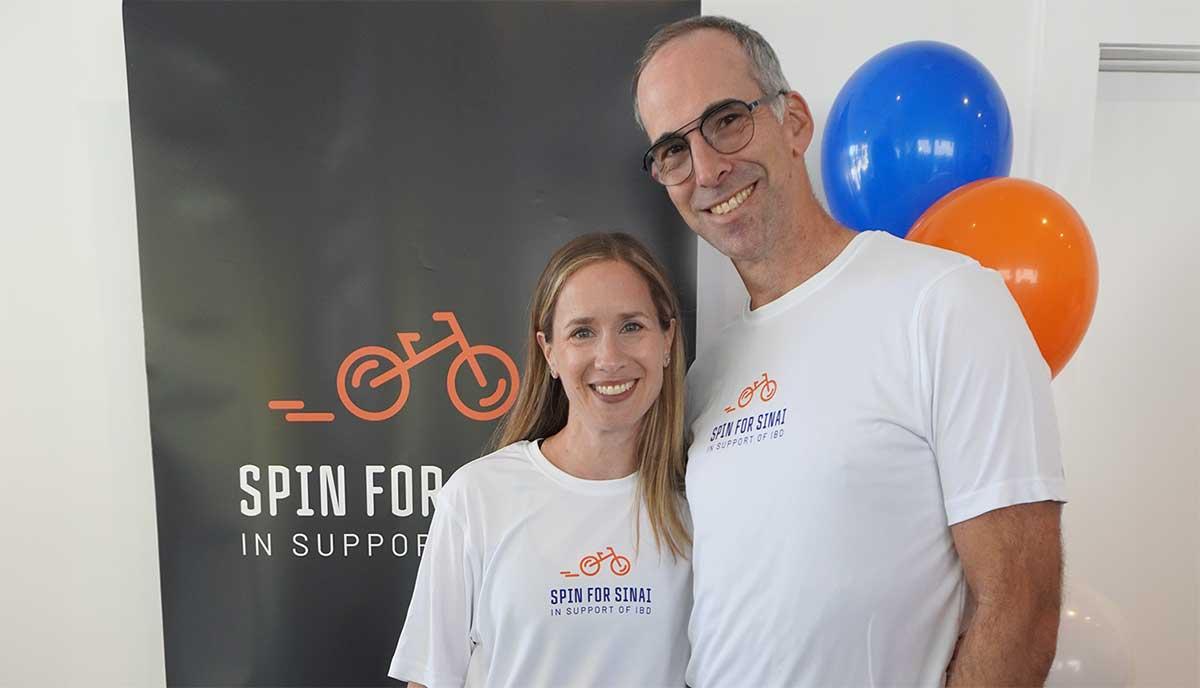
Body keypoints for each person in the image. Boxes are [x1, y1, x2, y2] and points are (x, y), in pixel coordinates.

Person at [632, 16, 1066, 687]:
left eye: (725, 120)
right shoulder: (706, 373)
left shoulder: (944, 301)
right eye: (672, 151)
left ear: (795, 122)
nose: (708, 169)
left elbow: (1021, 603)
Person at [387, 232, 692, 687]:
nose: (608, 358)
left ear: (667, 340)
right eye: (582, 332)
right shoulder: (477, 496)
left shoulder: (699, 502)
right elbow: (428, 681)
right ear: (549, 352)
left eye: (632, 326)